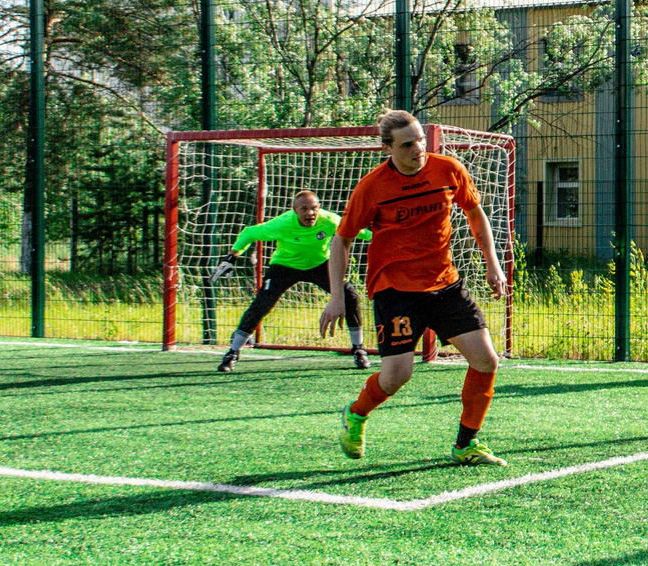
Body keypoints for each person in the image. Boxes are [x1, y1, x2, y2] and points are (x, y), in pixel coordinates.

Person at [323, 111, 511, 467]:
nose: (418, 149)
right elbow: (341, 241)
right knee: (397, 376)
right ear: (388, 148)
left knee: (486, 360)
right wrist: (336, 296)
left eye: (421, 140)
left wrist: (493, 263)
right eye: (408, 144)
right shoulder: (371, 188)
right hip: (395, 289)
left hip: (445, 283)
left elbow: (475, 213)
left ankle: (466, 444)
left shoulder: (448, 170)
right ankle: (357, 412)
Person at [215, 190, 369, 372]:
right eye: (304, 209)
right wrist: (232, 257)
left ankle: (358, 350)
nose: (310, 213)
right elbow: (249, 233)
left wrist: (385, 235)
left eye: (314, 208)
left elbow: (359, 232)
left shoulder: (329, 220)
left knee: (349, 295)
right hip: (284, 266)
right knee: (262, 304)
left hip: (320, 265)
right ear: (294, 210)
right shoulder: (282, 224)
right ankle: (233, 353)